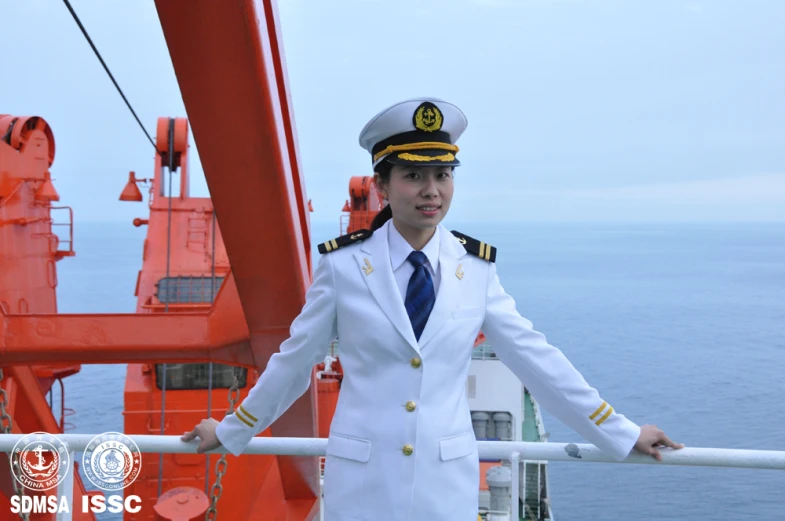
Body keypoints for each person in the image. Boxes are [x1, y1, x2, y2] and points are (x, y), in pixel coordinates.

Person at [182, 97, 683, 521]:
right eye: (413, 175)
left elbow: (534, 358)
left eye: (442, 174)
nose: (431, 190)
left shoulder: (476, 269)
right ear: (382, 184)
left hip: (446, 487)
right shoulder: (344, 267)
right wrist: (230, 431)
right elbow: (293, 363)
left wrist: (620, 430)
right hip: (360, 485)